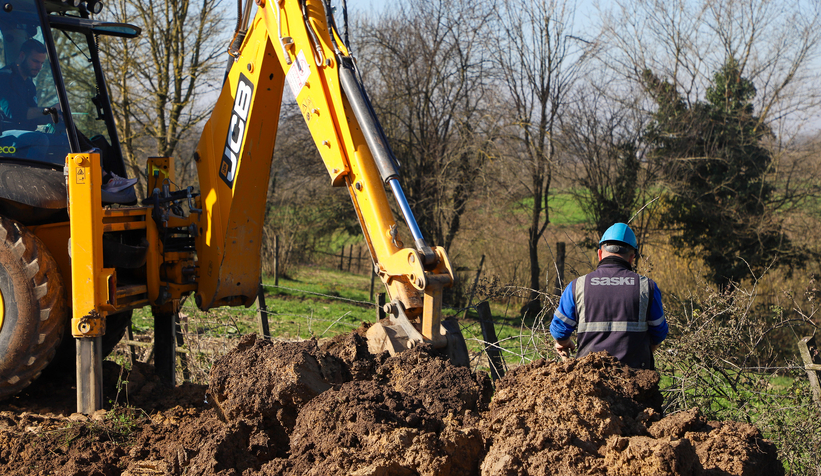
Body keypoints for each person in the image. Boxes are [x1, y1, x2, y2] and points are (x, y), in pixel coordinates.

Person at [550, 223, 668, 369]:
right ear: (632, 258)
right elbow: (659, 333)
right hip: (635, 381)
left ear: (600, 254)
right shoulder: (647, 287)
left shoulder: (577, 286)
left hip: (590, 378)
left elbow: (559, 330)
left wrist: (564, 343)